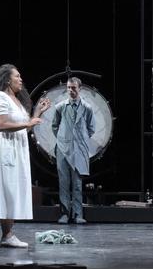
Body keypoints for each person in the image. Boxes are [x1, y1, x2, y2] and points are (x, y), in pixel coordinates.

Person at [0, 64, 51, 248]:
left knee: (14, 189)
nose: (21, 79)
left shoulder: (17, 100)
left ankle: (9, 234)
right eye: (17, 76)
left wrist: (37, 113)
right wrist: (28, 122)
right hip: (6, 147)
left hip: (17, 147)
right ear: (7, 79)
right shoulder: (0, 97)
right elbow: (1, 125)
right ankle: (7, 235)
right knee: (7, 189)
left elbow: (25, 127)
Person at [50, 77, 96, 224]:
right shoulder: (60, 107)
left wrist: (79, 139)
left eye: (74, 88)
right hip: (63, 149)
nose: (71, 90)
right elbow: (55, 126)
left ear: (79, 88)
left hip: (79, 150)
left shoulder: (87, 108)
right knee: (64, 183)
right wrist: (64, 139)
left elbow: (91, 128)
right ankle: (64, 213)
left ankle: (78, 214)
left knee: (77, 184)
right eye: (69, 88)